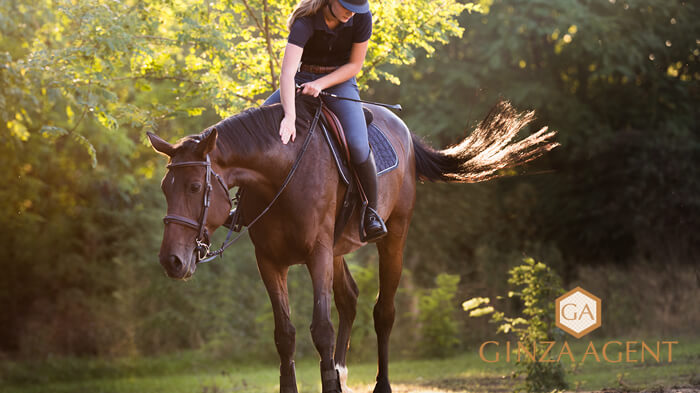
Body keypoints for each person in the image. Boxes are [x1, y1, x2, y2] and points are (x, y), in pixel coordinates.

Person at [263, 0, 387, 242]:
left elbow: (355, 64)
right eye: (347, 7)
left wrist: (320, 84)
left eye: (356, 10)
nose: (351, 13)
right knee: (259, 127)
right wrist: (289, 115)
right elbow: (287, 74)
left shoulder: (362, 18)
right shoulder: (306, 20)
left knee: (358, 145)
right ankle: (241, 209)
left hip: (340, 82)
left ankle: (370, 212)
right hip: (300, 80)